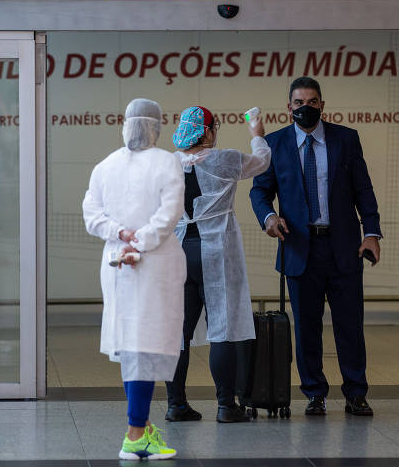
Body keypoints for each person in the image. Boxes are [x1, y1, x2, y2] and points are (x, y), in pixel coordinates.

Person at [250, 77, 382, 417]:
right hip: (298, 247)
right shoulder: (275, 144)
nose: (304, 107)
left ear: (322, 104)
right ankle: (314, 393)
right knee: (306, 327)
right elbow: (259, 191)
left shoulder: (346, 139)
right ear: (289, 108)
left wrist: (372, 233)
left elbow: (363, 191)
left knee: (349, 324)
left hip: (344, 248)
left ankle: (356, 392)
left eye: (311, 101)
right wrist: (268, 218)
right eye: (298, 102)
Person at [82, 98, 185, 460]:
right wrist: (138, 244)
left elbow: (91, 215)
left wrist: (122, 235)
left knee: (131, 345)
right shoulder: (167, 162)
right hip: (151, 264)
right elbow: (169, 215)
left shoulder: (105, 165)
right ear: (158, 125)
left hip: (117, 264)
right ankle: (136, 434)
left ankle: (137, 427)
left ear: (124, 124)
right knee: (144, 347)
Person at [165, 105, 271, 423]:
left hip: (180, 250)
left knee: (178, 333)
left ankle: (176, 405)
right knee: (222, 329)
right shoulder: (224, 158)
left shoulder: (169, 163)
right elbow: (263, 163)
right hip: (216, 252)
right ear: (208, 132)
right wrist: (257, 134)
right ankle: (226, 405)